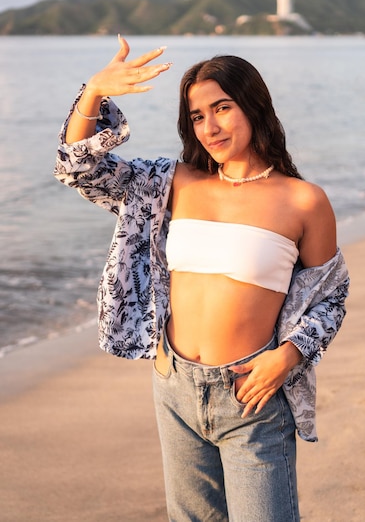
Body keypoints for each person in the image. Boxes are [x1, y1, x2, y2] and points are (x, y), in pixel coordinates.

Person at [54, 36, 349, 522]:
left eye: (222, 108)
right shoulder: (173, 183)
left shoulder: (303, 201)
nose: (209, 126)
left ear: (254, 105)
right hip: (174, 385)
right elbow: (78, 169)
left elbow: (330, 298)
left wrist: (288, 357)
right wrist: (94, 92)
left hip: (252, 394)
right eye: (196, 116)